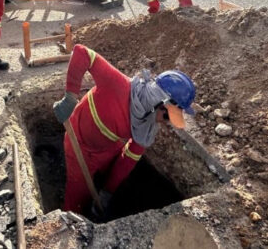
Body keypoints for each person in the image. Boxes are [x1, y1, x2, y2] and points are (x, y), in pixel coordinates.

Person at [53, 44, 197, 217]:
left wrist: (107, 192)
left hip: (107, 147)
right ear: (159, 103)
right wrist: (70, 97)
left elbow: (126, 161)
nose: (167, 124)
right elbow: (82, 53)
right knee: (78, 194)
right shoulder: (118, 86)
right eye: (168, 117)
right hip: (80, 144)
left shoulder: (147, 128)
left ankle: (102, 190)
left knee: (112, 177)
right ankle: (71, 220)